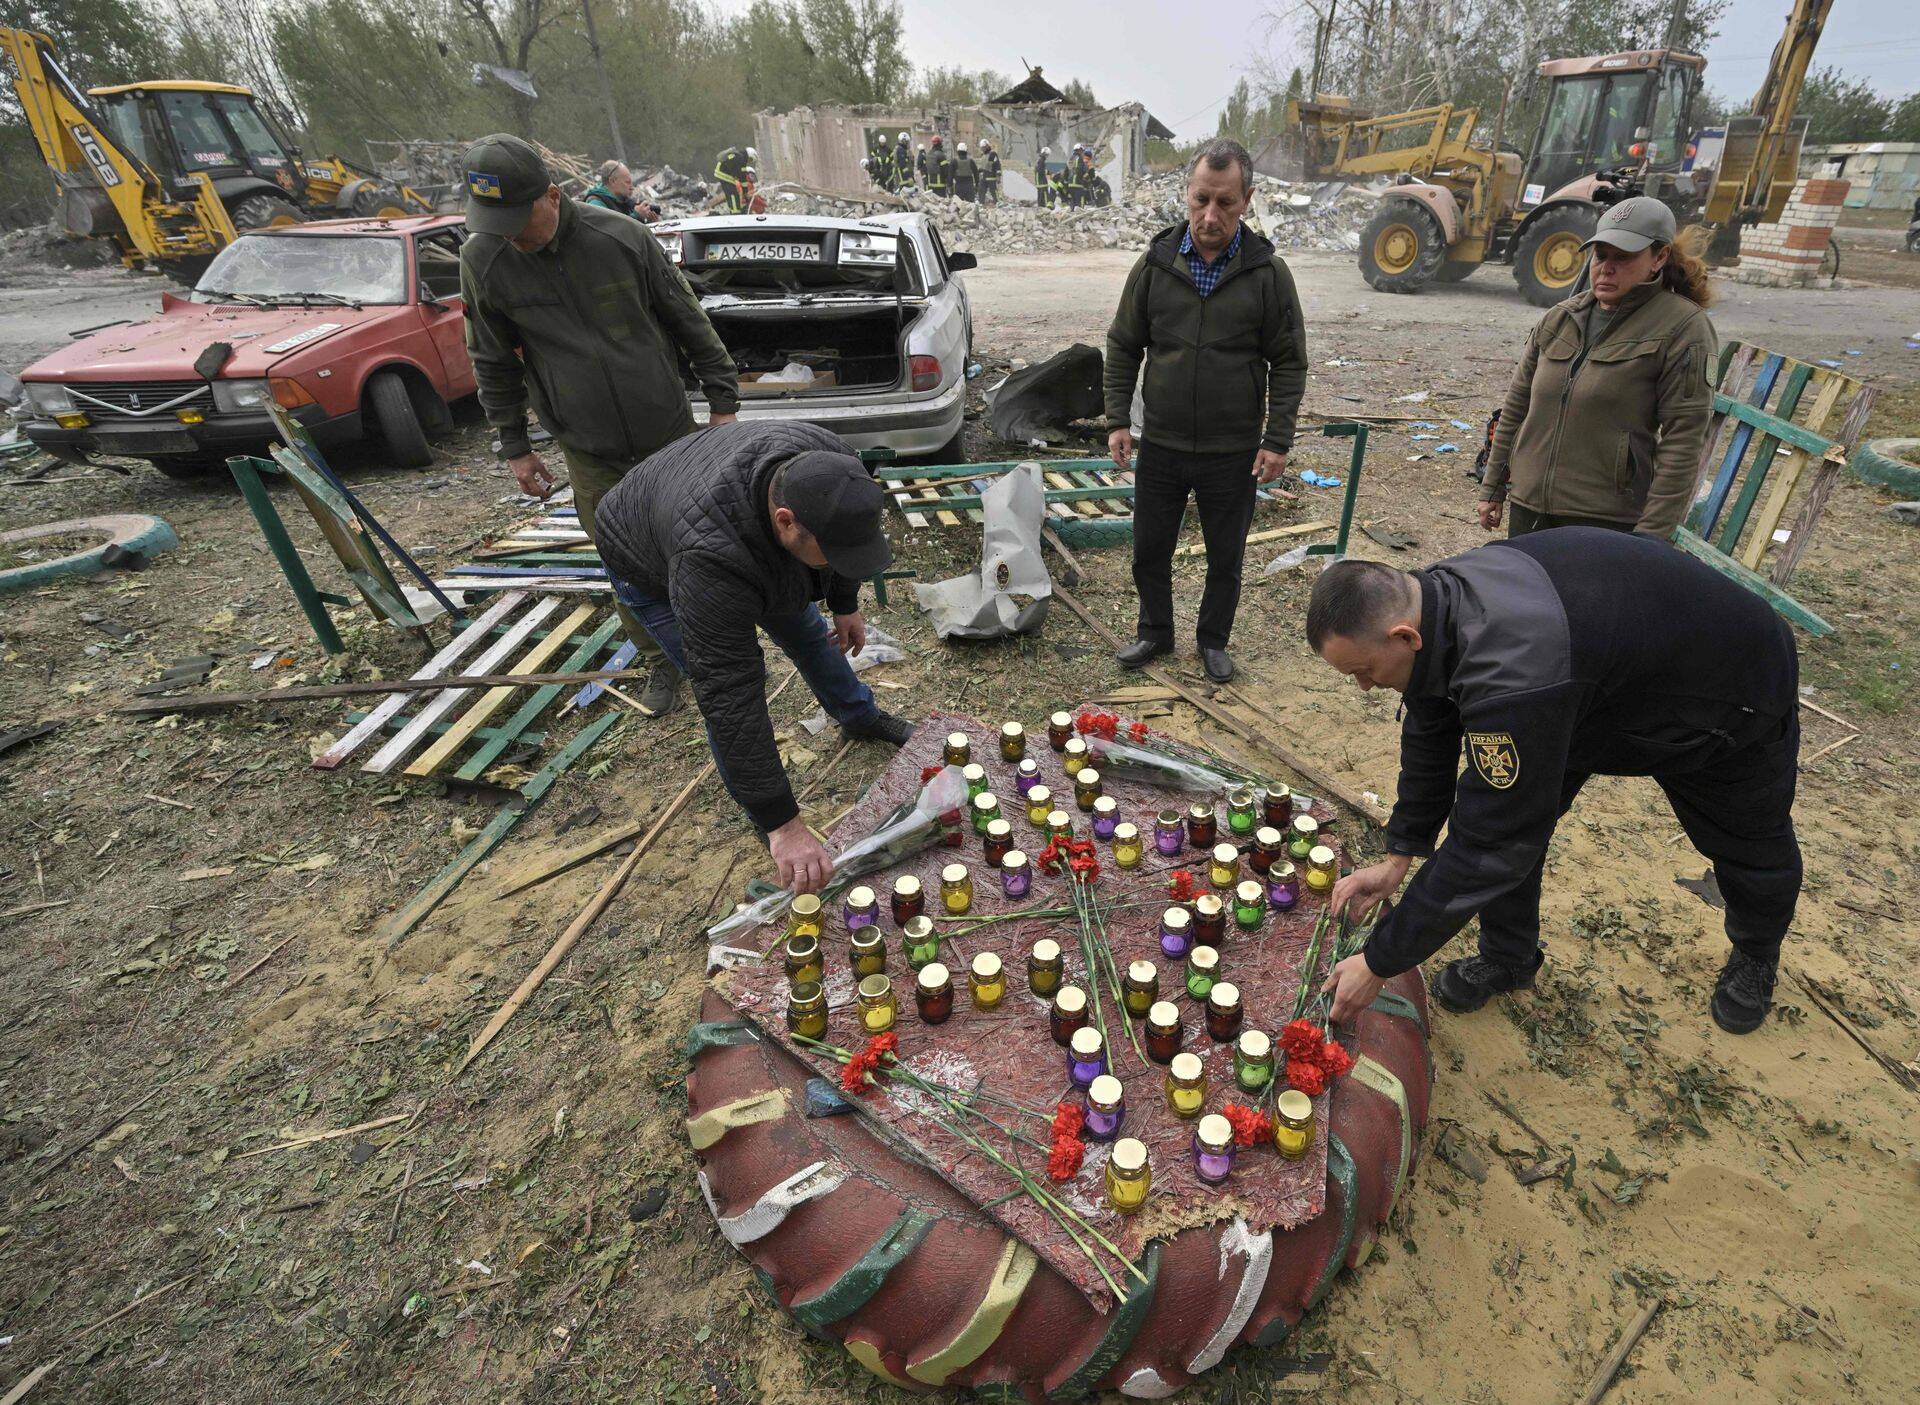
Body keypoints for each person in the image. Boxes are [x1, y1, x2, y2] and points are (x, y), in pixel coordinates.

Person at [1305, 532, 1801, 1037]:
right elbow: (1431, 724)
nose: (1364, 686)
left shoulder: (1515, 677)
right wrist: (1401, 852)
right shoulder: (1429, 602)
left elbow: (1491, 841)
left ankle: (1756, 955)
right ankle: (1509, 956)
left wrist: (1380, 961)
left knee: (1748, 841)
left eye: (1364, 671)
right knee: (1522, 813)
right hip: (1590, 680)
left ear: (1405, 637)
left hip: (1728, 690)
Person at [459, 133, 740, 717]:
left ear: (553, 196)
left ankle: (723, 638)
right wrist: (515, 446)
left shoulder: (622, 237)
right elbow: (489, 359)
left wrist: (723, 400)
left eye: (517, 217)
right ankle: (662, 655)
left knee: (700, 540)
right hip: (588, 447)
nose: (508, 232)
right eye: (495, 220)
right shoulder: (484, 258)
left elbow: (687, 319)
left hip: (667, 432)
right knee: (624, 560)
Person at [593, 422, 916, 892]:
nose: (837, 559)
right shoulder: (708, 562)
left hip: (710, 505)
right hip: (646, 555)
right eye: (831, 554)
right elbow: (729, 696)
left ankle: (861, 717)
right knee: (729, 684)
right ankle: (772, 825)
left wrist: (845, 601)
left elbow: (846, 535)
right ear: (786, 522)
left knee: (809, 632)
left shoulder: (831, 463)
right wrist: (783, 823)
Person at [1103, 137, 1307, 684]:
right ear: (1186, 195)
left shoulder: (1266, 274)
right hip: (1163, 444)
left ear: (1248, 200)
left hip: (1232, 450)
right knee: (1150, 549)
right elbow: (1124, 343)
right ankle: (1154, 632)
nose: (1210, 215)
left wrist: (1277, 440)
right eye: (1200, 200)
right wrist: (1118, 419)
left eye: (1225, 203)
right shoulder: (1156, 265)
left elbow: (1289, 362)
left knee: (1225, 557)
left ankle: (1213, 641)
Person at [1479, 197, 1717, 540]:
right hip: (1529, 507)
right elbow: (1517, 406)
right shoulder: (1561, 317)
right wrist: (1494, 486)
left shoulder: (1683, 328)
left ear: (1659, 258)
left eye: (1623, 257)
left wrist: (1650, 538)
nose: (1607, 267)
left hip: (1604, 520)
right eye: (1601, 255)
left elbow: (1683, 443)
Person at [582, 160, 660, 222]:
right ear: (612, 181)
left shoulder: (623, 200)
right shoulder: (596, 204)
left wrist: (649, 224)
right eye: (627, 182)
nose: (632, 187)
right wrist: (636, 216)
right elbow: (611, 234)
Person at [714, 144, 756, 212]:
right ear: (749, 155)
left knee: (732, 192)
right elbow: (742, 178)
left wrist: (745, 192)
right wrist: (746, 192)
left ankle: (734, 209)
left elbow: (739, 175)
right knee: (732, 193)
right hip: (723, 173)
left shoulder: (739, 156)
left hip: (722, 171)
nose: (749, 162)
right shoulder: (741, 159)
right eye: (750, 159)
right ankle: (735, 212)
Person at [980, 140, 1001, 205]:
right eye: (981, 147)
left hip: (991, 178)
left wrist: (998, 175)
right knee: (981, 191)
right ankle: (981, 204)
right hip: (984, 178)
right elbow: (984, 167)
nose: (982, 149)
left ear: (987, 146)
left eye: (983, 147)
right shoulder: (983, 155)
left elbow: (997, 164)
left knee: (993, 192)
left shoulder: (993, 154)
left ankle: (997, 203)